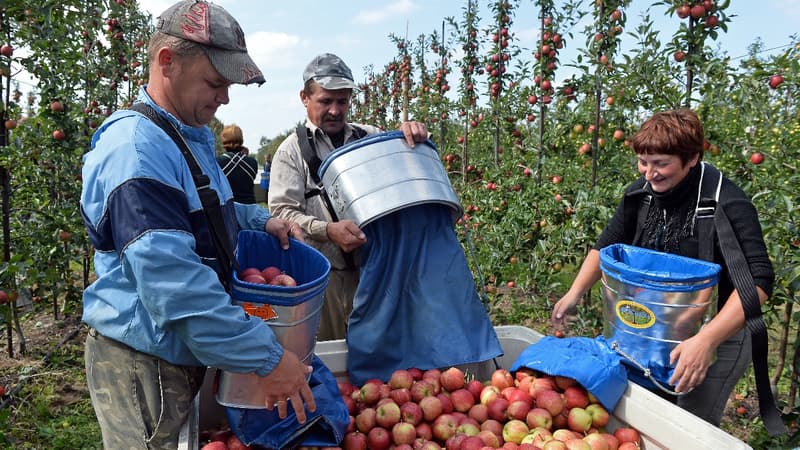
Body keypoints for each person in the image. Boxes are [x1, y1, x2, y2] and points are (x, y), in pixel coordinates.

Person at [79, 2, 314, 448]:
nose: (225, 97)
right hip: (143, 361)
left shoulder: (184, 136)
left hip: (175, 351)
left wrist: (261, 221)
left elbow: (204, 215)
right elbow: (175, 285)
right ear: (168, 62)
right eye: (215, 82)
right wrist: (267, 358)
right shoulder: (137, 150)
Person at [550, 109, 774, 427]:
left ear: (692, 157)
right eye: (643, 161)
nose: (649, 173)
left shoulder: (726, 204)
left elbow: (759, 282)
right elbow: (605, 245)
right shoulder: (640, 195)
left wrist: (706, 340)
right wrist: (574, 293)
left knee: (685, 426)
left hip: (719, 332)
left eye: (661, 163)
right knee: (644, 416)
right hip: (655, 327)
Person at [268, 53, 428, 341]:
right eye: (325, 101)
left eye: (342, 101)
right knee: (328, 352)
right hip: (323, 277)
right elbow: (282, 213)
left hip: (373, 272)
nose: (334, 110)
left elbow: (405, 171)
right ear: (304, 97)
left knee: (378, 352)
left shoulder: (370, 139)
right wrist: (328, 230)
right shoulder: (291, 152)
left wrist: (410, 135)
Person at [217, 123, 259, 204]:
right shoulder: (253, 163)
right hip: (249, 208)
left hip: (229, 208)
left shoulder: (217, 162)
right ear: (241, 139)